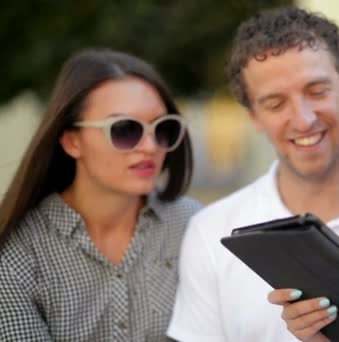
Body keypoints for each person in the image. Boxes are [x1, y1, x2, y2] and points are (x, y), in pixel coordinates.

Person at [167, 6, 339, 342]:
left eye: (317, 91)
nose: (303, 119)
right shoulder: (212, 232)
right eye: (276, 103)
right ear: (254, 116)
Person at [0, 48, 202, 341]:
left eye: (163, 129)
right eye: (124, 129)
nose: (149, 146)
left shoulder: (192, 225)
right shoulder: (18, 251)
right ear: (72, 142)